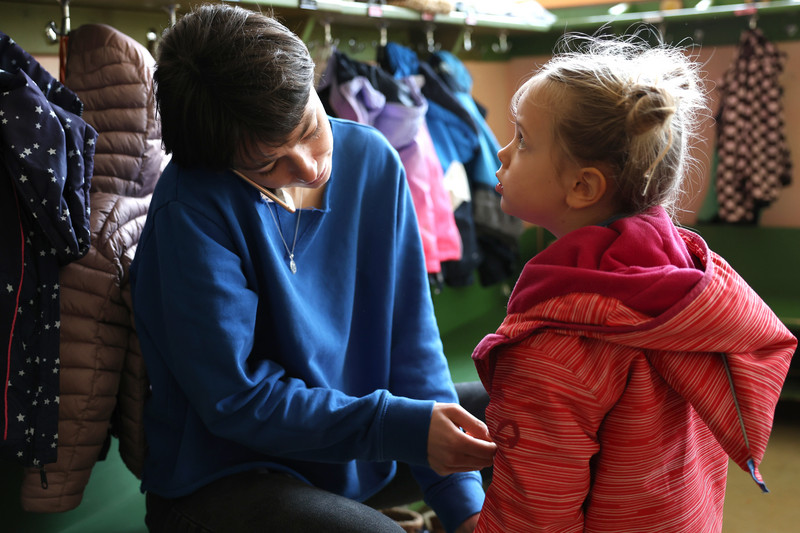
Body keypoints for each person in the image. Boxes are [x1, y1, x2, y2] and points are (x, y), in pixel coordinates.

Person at [129, 4, 496, 533]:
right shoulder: (191, 209)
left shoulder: (372, 159)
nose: (308, 165)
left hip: (356, 456)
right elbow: (238, 400)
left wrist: (464, 508)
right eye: (266, 164)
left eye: (308, 127)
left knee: (533, 403)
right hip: (230, 475)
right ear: (218, 160)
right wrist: (397, 426)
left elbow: (412, 347)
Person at [472, 31, 797, 533]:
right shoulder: (685, 283)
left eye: (523, 139)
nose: (503, 151)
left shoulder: (552, 347)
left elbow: (534, 517)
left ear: (582, 186)